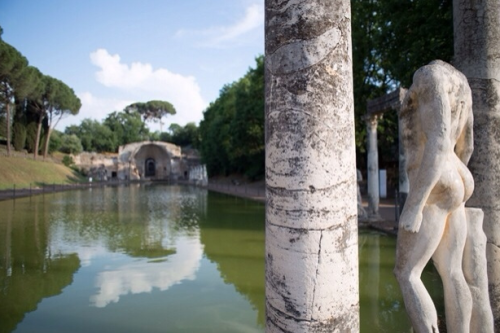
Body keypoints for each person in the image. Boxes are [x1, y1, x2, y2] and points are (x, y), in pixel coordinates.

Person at [394, 60, 474, 333]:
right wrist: (456, 186)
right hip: (457, 175)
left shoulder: (427, 75)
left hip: (433, 181)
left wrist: (415, 205)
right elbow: (468, 144)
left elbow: (438, 141)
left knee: (407, 273)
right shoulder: (461, 82)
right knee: (453, 273)